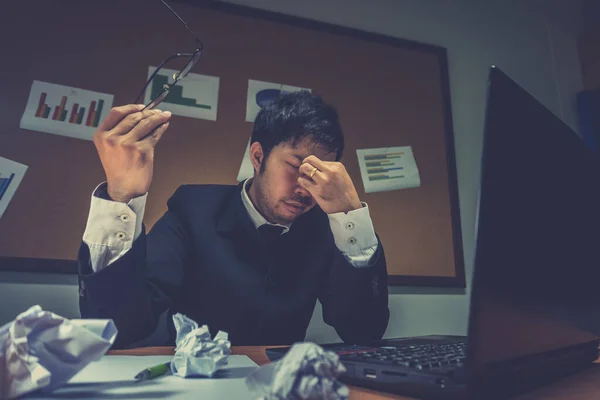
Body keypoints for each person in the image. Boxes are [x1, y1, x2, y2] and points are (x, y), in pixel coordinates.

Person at [77, 91, 389, 348]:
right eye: (296, 166)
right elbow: (117, 327)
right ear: (258, 157)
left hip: (278, 386)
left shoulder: (326, 228)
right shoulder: (193, 210)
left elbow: (363, 332)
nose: (305, 189)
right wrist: (121, 198)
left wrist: (350, 217)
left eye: (320, 173)